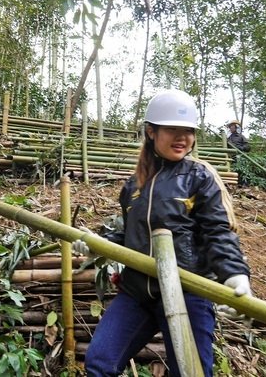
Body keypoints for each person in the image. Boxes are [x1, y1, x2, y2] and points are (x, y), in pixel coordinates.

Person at [72, 90, 251, 376]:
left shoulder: (200, 176)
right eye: (172, 129)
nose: (182, 138)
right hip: (137, 293)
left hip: (187, 291)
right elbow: (130, 235)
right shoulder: (134, 185)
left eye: (188, 131)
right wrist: (97, 245)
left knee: (191, 373)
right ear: (151, 132)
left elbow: (217, 231)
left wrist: (235, 274)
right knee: (99, 364)